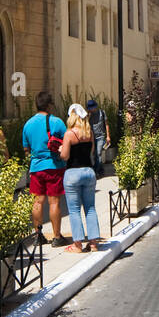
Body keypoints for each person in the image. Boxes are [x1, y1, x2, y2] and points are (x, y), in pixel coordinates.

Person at [23, 91, 69, 245]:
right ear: (49, 105)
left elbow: (26, 149)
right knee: (54, 202)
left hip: (36, 167)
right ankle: (56, 237)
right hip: (54, 166)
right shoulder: (57, 122)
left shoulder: (28, 124)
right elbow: (66, 144)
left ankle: (38, 236)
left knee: (37, 202)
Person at [59, 105, 101, 252]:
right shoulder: (89, 133)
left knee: (74, 210)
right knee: (90, 208)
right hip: (89, 171)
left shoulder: (69, 134)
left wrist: (61, 150)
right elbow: (92, 151)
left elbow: (65, 156)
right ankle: (94, 242)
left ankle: (77, 244)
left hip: (73, 173)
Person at [86, 99, 109, 175]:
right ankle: (100, 169)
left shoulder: (102, 113)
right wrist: (88, 117)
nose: (92, 109)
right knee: (94, 154)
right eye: (90, 108)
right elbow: (85, 125)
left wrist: (108, 136)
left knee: (98, 153)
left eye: (93, 107)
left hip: (100, 136)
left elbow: (106, 124)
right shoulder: (88, 115)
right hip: (91, 137)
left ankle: (96, 170)